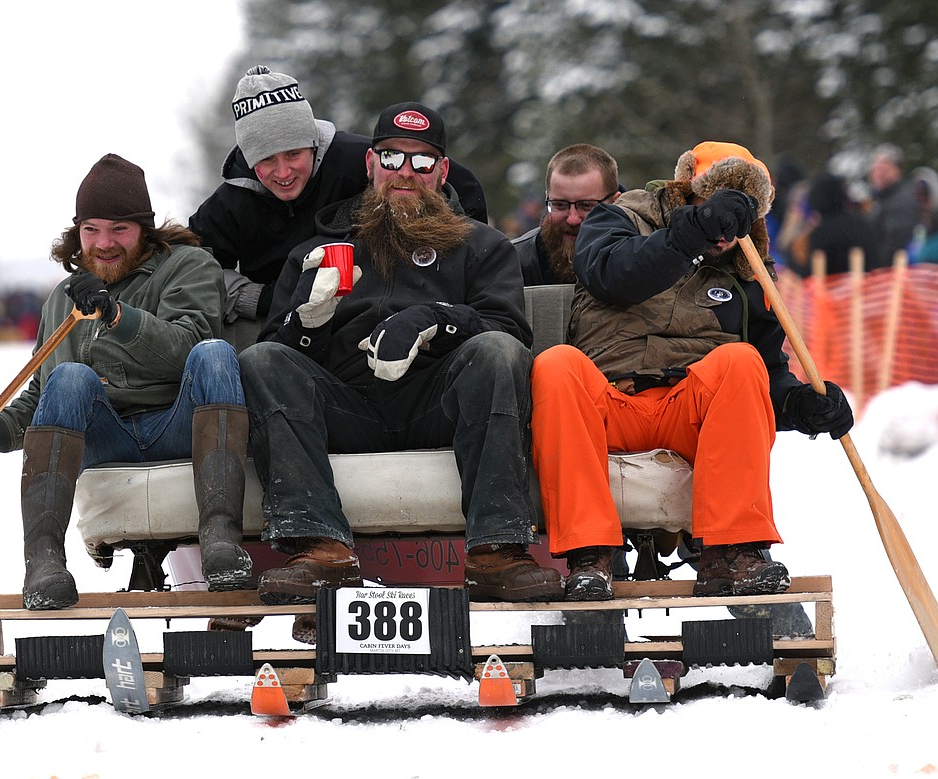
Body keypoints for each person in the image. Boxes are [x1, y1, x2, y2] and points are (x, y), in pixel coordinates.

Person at [239, 102, 562, 605]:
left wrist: (438, 318)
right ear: (370, 165)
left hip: (438, 405)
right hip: (345, 406)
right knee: (261, 361)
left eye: (422, 161)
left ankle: (498, 551)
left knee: (496, 351)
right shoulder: (319, 250)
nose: (405, 172)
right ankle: (320, 548)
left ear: (443, 171)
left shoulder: (482, 246)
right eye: (391, 159)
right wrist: (307, 325)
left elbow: (510, 334)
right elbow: (276, 359)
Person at [530, 141, 854, 602]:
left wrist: (801, 404)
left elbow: (764, 374)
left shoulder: (750, 273)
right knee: (555, 364)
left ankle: (733, 552)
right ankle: (590, 556)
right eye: (715, 206)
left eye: (738, 214)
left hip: (690, 412)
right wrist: (692, 235)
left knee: (741, 361)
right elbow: (612, 274)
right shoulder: (618, 216)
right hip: (607, 403)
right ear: (686, 192)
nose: (726, 227)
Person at [0, 154, 251, 609]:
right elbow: (40, 399)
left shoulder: (189, 266)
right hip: (104, 438)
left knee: (216, 354)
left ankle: (221, 538)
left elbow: (189, 349)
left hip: (181, 427)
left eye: (119, 229)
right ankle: (43, 562)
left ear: (144, 229)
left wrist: (117, 315)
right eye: (92, 230)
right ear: (77, 231)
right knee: (68, 376)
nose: (104, 243)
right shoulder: (60, 303)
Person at [188, 66, 488, 325]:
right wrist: (260, 298)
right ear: (250, 161)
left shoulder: (355, 160)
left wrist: (461, 261)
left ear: (313, 143)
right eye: (266, 160)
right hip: (285, 317)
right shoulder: (231, 202)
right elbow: (191, 268)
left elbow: (456, 181)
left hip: (370, 300)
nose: (283, 172)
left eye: (293, 154)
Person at [512, 144, 621, 285]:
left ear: (615, 202)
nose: (573, 219)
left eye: (586, 205)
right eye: (560, 205)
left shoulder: (645, 259)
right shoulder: (513, 264)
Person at [803, 171, 885, 275]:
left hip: (833, 289)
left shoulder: (821, 234)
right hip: (869, 286)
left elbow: (812, 272)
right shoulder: (862, 223)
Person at [866, 143, 921, 263]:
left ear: (897, 171)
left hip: (891, 274)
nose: (879, 174)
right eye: (876, 169)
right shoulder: (881, 200)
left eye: (884, 169)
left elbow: (896, 246)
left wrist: (877, 267)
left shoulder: (901, 202)